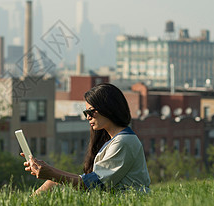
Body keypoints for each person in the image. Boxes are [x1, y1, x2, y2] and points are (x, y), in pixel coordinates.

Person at [22, 83, 150, 195]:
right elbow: (90, 181)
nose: (88, 117)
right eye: (86, 113)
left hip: (125, 205)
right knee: (51, 183)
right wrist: (49, 172)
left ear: (108, 108)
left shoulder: (124, 142)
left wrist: (51, 173)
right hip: (114, 201)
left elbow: (94, 184)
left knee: (53, 182)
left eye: (91, 112)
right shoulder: (115, 140)